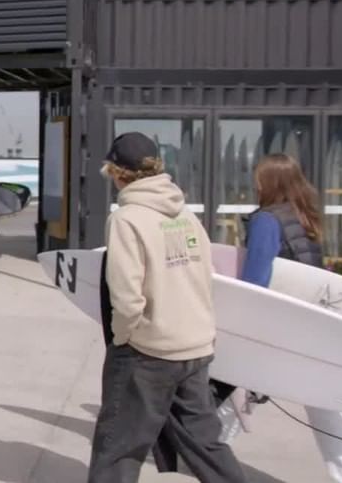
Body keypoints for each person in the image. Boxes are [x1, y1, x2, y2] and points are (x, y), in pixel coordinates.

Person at [90, 132, 246, 483]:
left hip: (150, 351)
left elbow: (127, 296)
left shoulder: (127, 219)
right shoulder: (185, 214)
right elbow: (204, 275)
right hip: (195, 346)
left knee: (118, 446)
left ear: (117, 172)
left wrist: (123, 338)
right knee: (205, 443)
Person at [232, 154, 342, 483]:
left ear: (270, 182)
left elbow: (255, 280)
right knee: (325, 410)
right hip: (310, 324)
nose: (255, 184)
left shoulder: (267, 220)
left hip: (277, 326)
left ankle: (206, 459)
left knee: (233, 391)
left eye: (259, 178)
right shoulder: (304, 217)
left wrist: (240, 321)